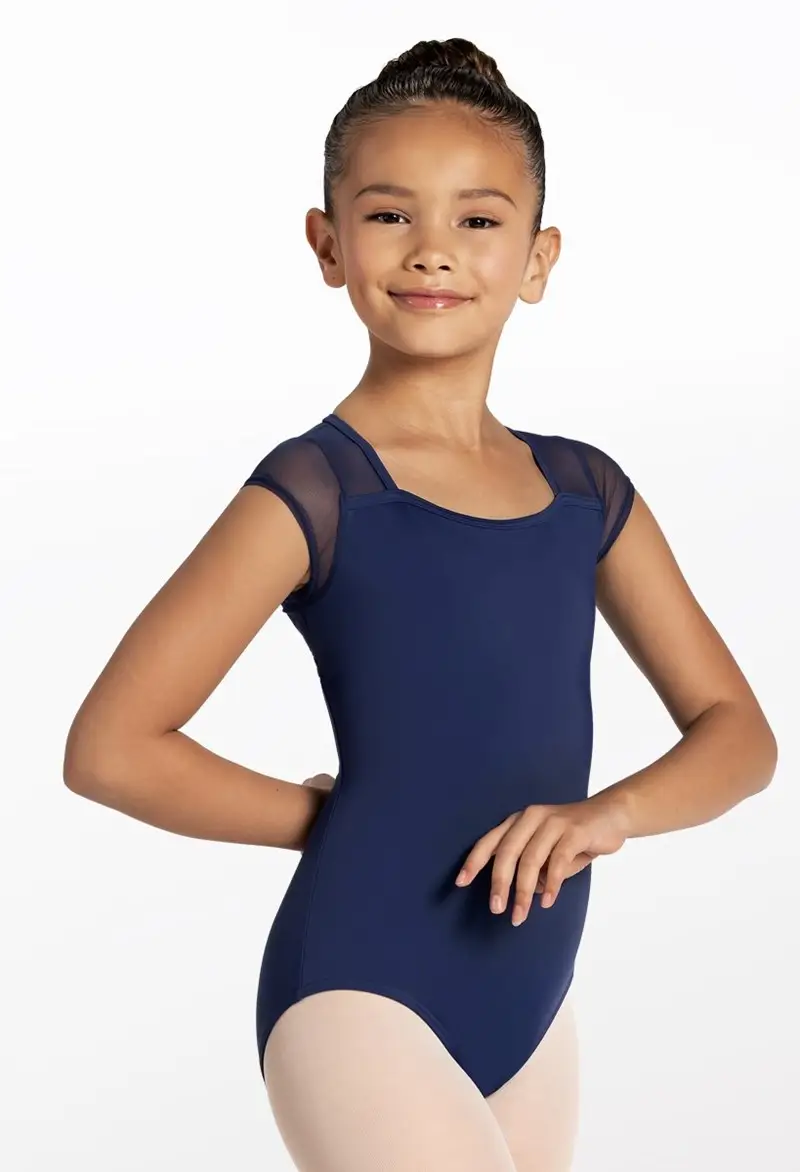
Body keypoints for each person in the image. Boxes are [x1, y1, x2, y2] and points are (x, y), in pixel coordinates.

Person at [63, 36, 778, 1172]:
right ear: (327, 244)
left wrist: (608, 815)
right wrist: (330, 821)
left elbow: (739, 734)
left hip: (532, 999)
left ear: (538, 257)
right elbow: (110, 748)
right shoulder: (318, 491)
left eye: (478, 219)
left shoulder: (585, 492)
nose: (432, 248)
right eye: (390, 214)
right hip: (362, 984)